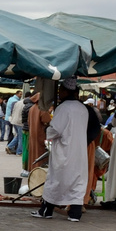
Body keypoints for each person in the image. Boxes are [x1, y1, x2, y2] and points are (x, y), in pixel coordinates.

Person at [36, 79, 88, 221]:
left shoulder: (64, 108)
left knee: (56, 180)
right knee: (77, 181)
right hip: (79, 152)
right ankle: (75, 214)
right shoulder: (83, 108)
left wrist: (48, 130)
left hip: (64, 150)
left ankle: (46, 211)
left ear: (65, 91)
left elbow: (56, 129)